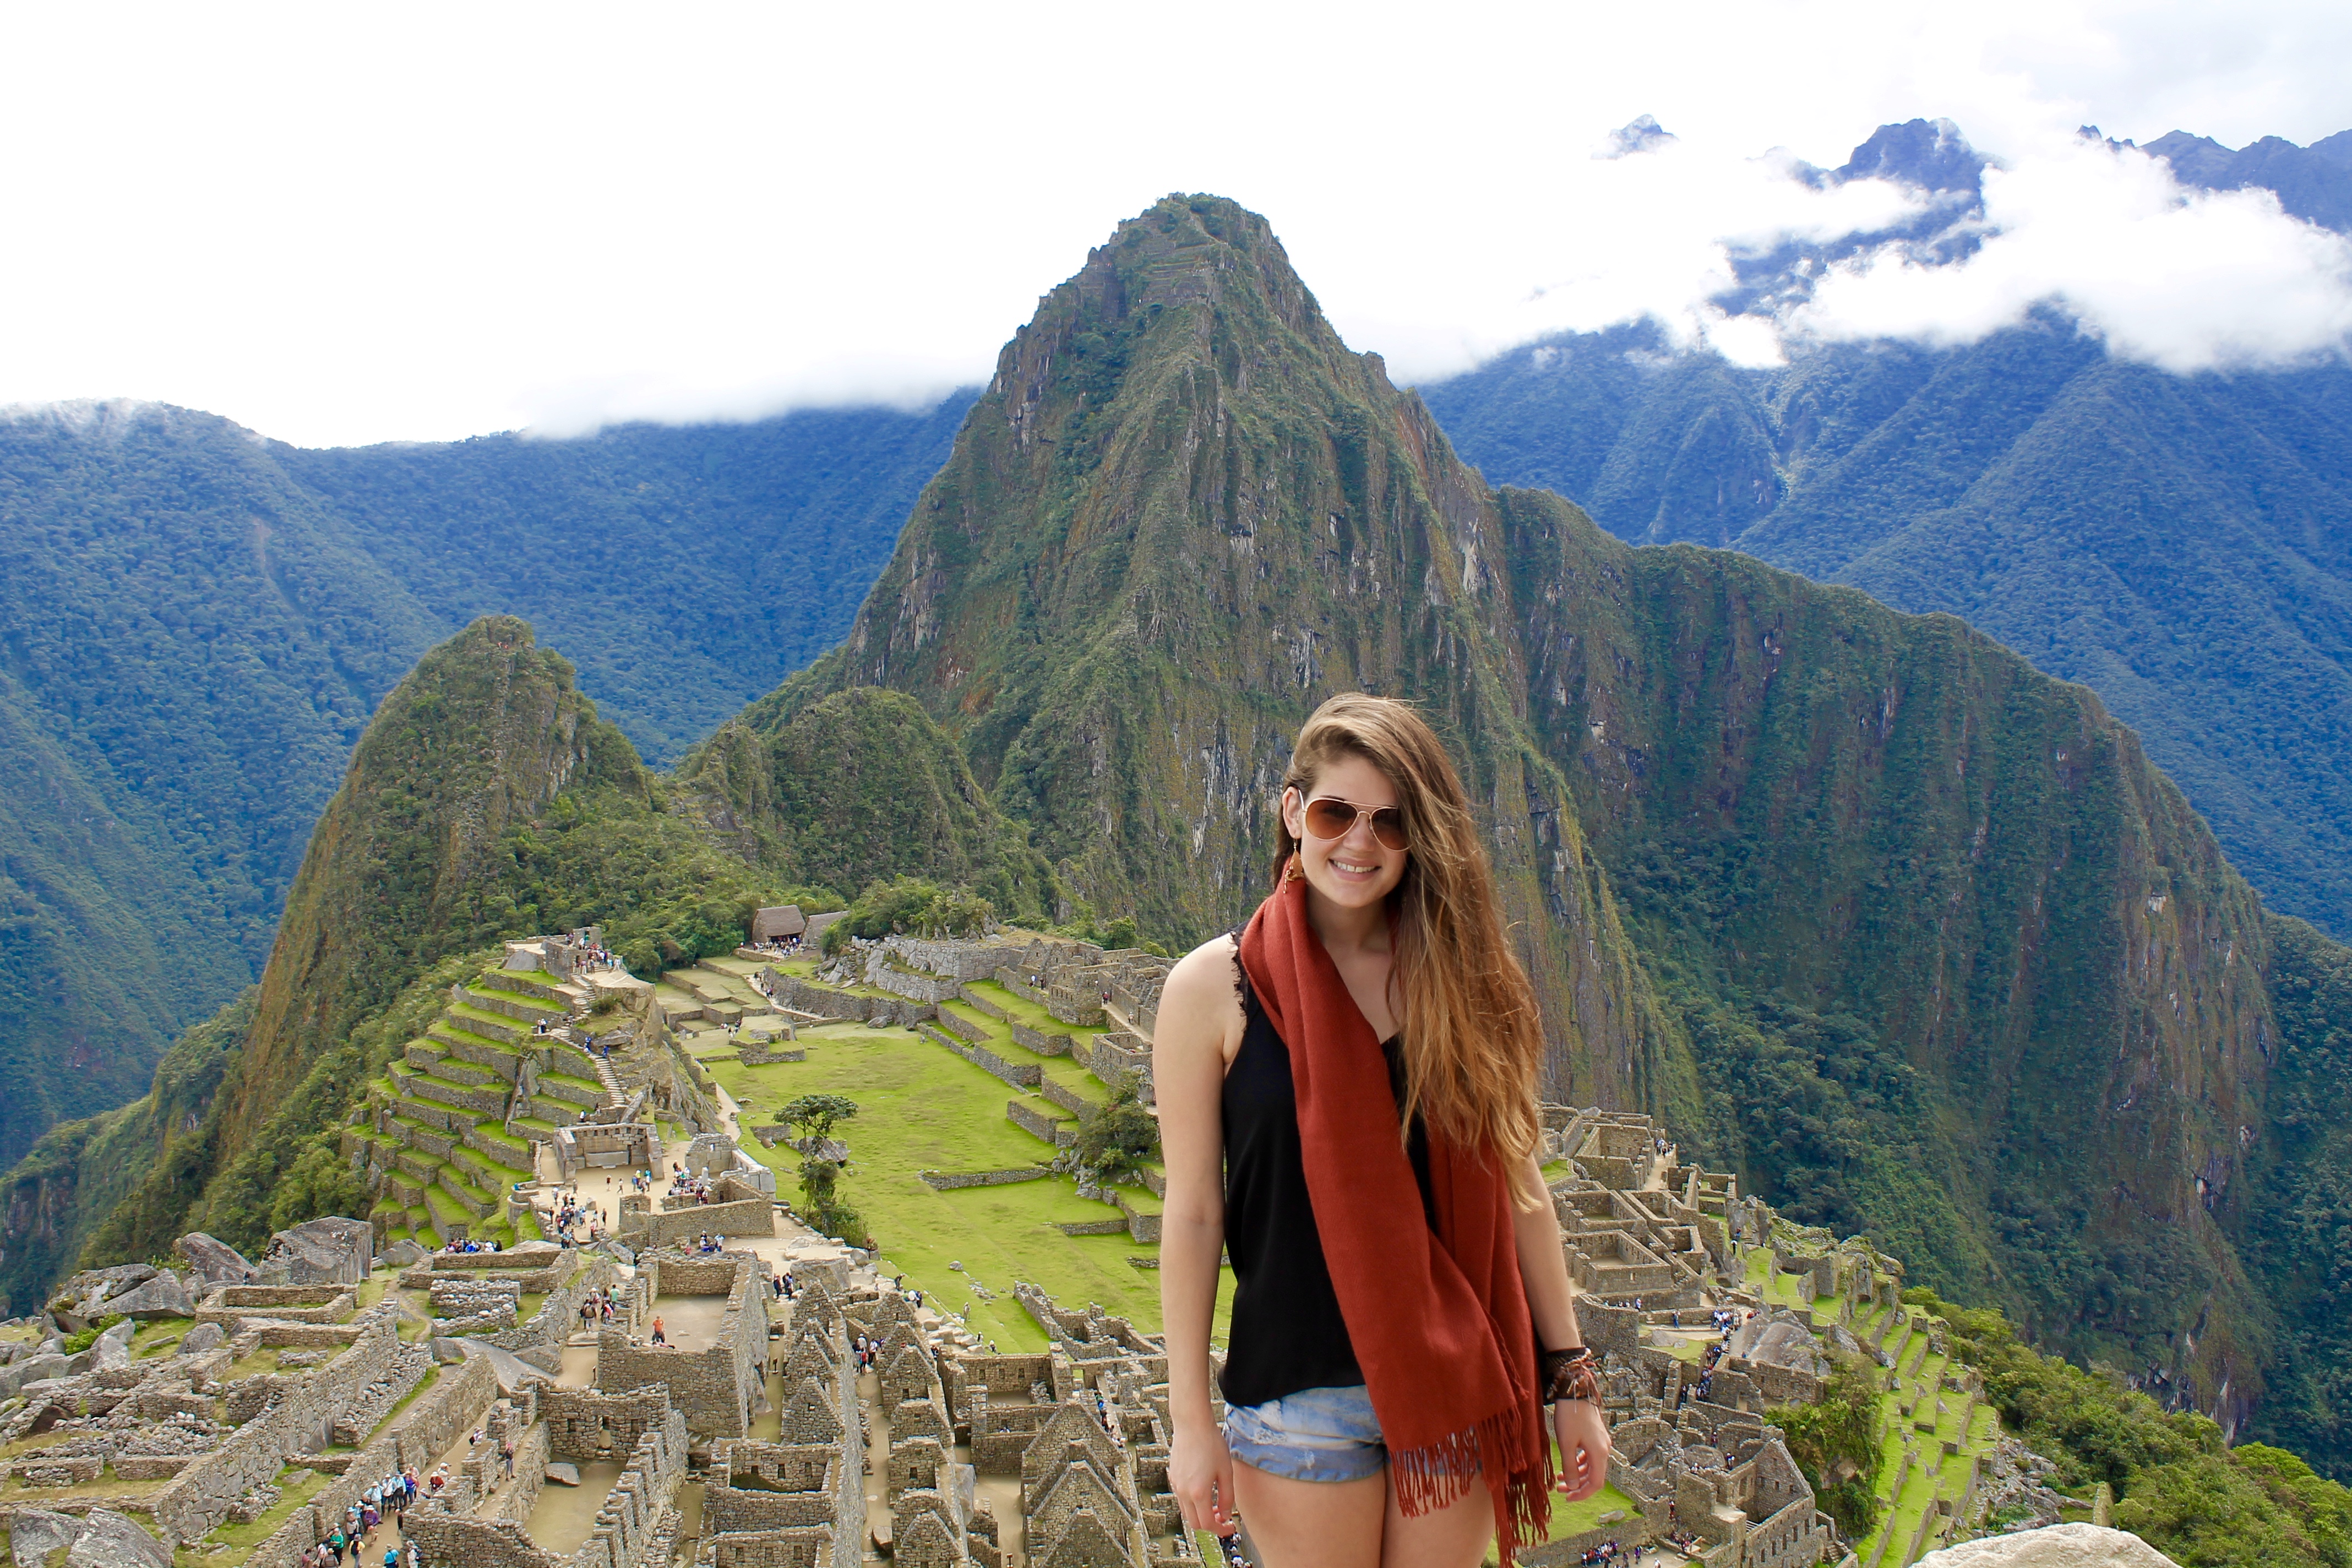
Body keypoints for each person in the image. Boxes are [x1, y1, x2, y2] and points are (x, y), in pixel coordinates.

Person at [1157, 694, 1611, 1568]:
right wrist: (1189, 1422)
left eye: (1391, 823)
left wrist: (1572, 1379)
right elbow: (1193, 1215)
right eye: (1336, 813)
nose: (1359, 844)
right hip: (1299, 1396)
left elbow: (1521, 1194)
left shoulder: (1462, 983)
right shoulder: (1213, 991)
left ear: (1420, 840)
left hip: (1457, 1383)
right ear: (1295, 813)